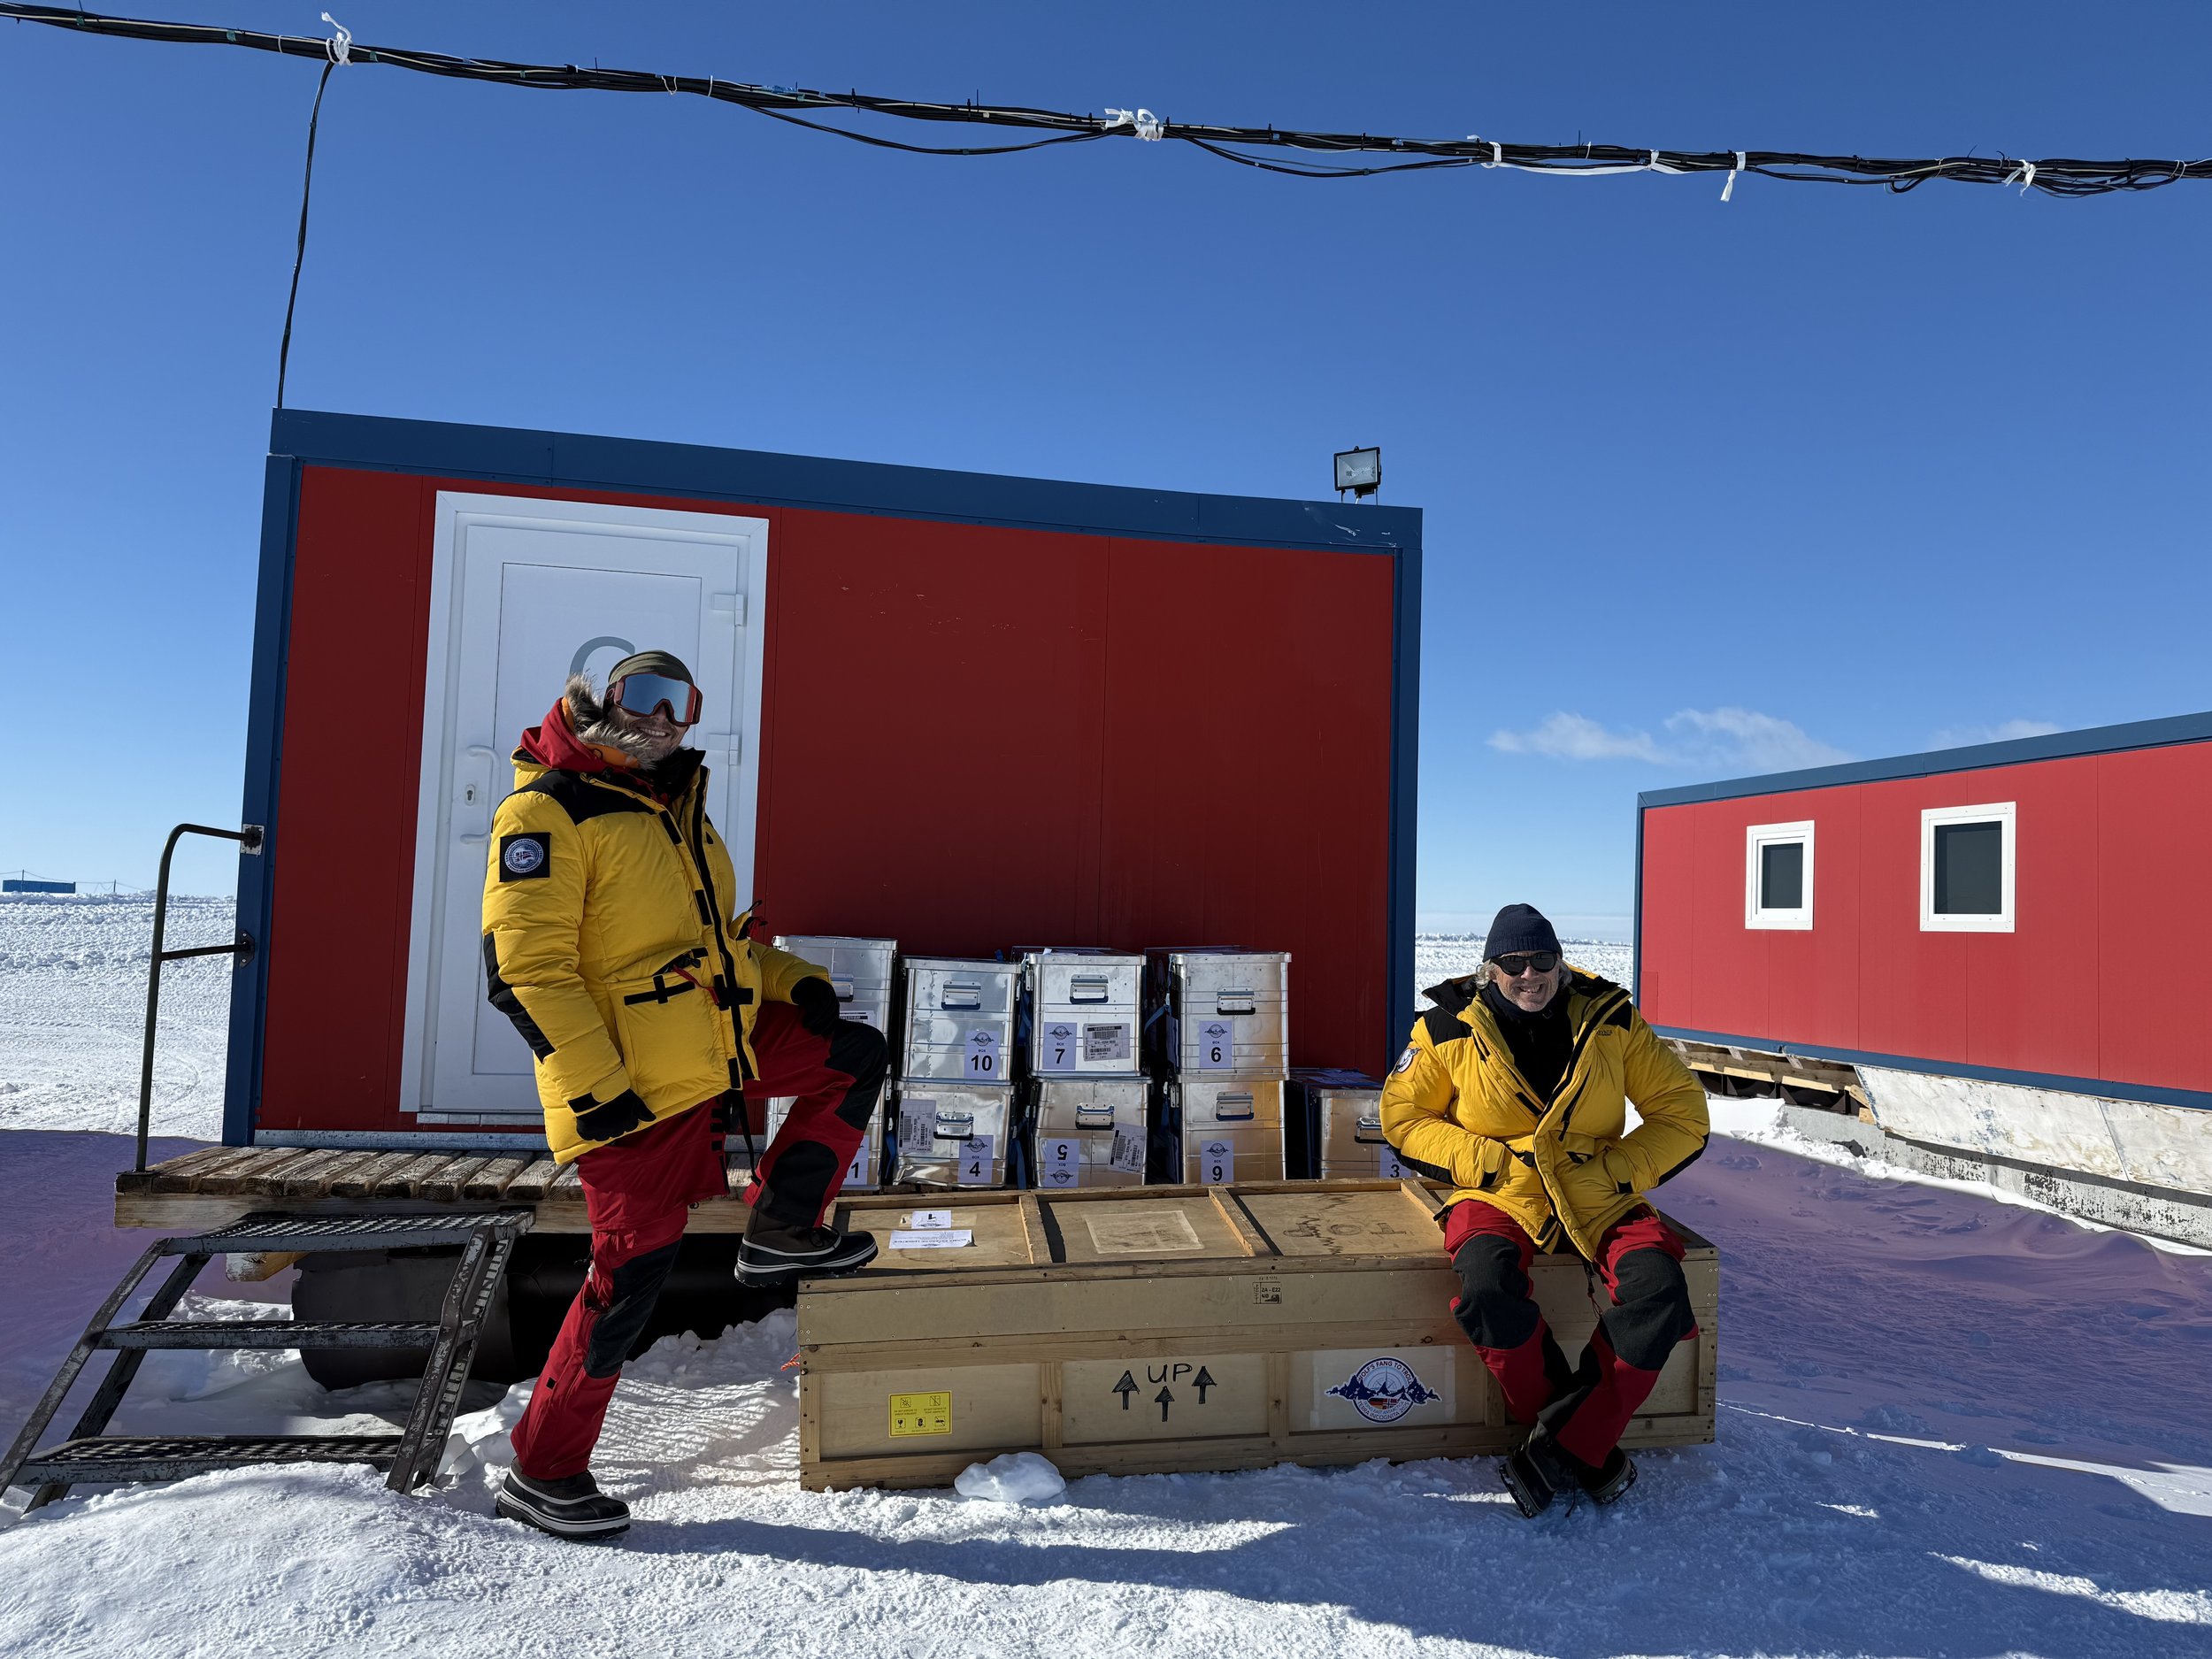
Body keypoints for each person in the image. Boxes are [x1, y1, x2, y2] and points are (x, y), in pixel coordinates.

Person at [479, 649, 887, 1540]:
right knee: (627, 1280)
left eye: (683, 703)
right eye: (645, 696)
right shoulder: (547, 810)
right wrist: (598, 1091)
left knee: (851, 1055)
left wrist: (790, 980)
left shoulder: (674, 813)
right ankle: (542, 1470)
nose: (664, 718)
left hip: (710, 1048)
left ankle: (782, 1228)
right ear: (595, 699)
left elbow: (715, 948)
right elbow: (526, 973)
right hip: (626, 1093)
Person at [1379, 902, 1709, 1517]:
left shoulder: (1612, 1021)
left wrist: (1614, 1169)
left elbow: (1683, 1113)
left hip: (1596, 1190)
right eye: (1512, 961)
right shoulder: (1448, 1029)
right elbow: (1402, 1115)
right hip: (1500, 1191)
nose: (1529, 974)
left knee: (1659, 1293)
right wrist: (1484, 1158)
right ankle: (1587, 1446)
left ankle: (1554, 1451)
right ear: (1489, 968)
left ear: (1559, 960)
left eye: (1542, 959)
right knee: (1488, 1292)